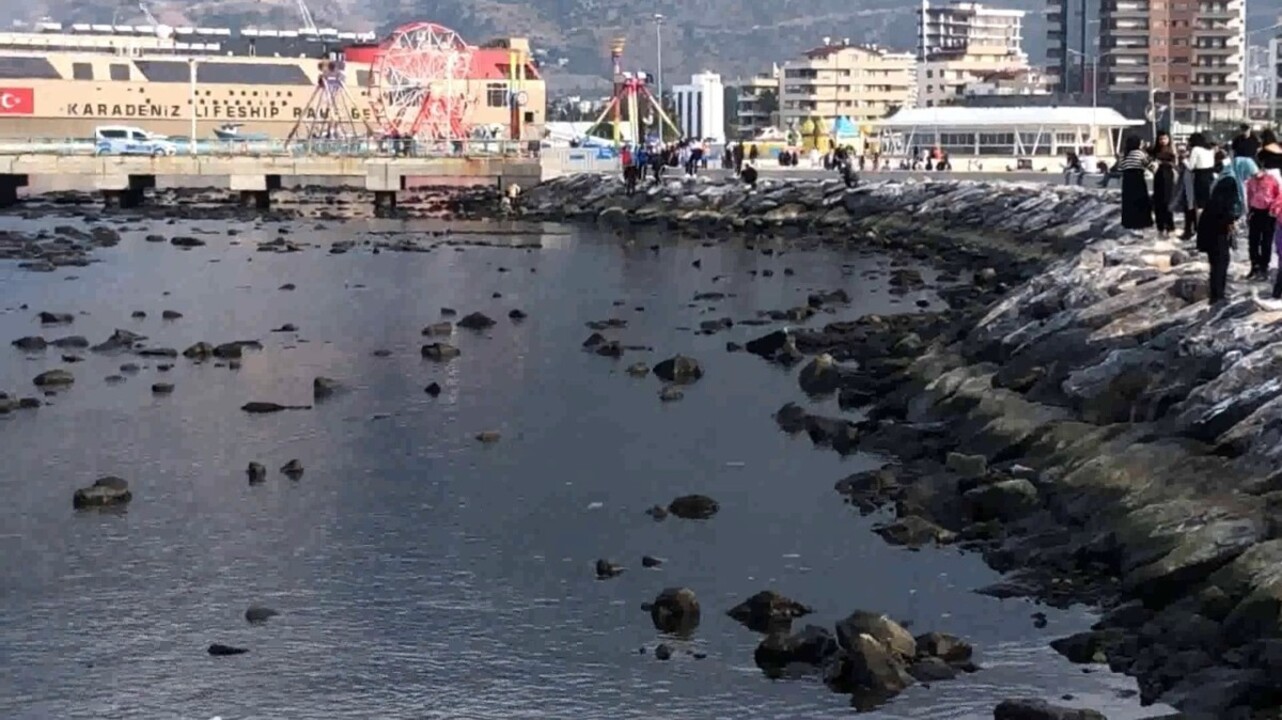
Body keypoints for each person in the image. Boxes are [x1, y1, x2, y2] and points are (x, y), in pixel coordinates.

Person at [1198, 152, 1247, 303]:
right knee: (1220, 260)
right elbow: (1225, 206)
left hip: (1211, 223)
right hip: (1217, 225)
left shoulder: (1223, 178)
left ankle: (1216, 294)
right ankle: (1217, 296)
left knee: (1216, 261)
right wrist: (1231, 220)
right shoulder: (1230, 181)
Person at [1246, 162, 1280, 280]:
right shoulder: (1250, 181)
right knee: (1253, 241)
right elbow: (1249, 196)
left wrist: (1274, 210)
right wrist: (1248, 212)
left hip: (1268, 213)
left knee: (1266, 241)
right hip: (1255, 212)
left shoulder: (1271, 180)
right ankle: (1254, 265)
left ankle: (1264, 266)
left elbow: (1277, 196)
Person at [1117, 135, 1153, 231]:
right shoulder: (1139, 153)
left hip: (1127, 179)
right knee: (1140, 200)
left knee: (1129, 201)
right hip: (1137, 178)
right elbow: (1147, 164)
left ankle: (1128, 222)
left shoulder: (1123, 154)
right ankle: (1141, 221)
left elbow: (1120, 167)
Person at [1187, 132, 1217, 237]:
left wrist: (1184, 161)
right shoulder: (1210, 150)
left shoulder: (1195, 149)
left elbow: (1191, 167)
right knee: (1209, 203)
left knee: (1200, 205)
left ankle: (1200, 229)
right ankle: (1209, 228)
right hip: (1210, 177)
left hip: (1200, 177)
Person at [1149, 131, 1177, 236]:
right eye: (1161, 139)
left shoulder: (1171, 150)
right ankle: (1160, 226)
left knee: (1167, 201)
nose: (1163, 141)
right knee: (1158, 201)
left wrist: (1162, 162)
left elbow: (1174, 163)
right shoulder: (1154, 150)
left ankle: (1170, 226)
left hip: (1168, 175)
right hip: (1158, 176)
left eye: (1165, 139)